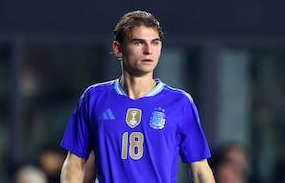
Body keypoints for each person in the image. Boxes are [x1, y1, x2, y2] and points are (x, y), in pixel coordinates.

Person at [60, 10, 215, 183]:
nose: (149, 50)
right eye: (138, 43)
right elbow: (74, 162)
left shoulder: (180, 103)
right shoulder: (94, 98)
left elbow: (200, 168)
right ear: (118, 48)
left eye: (155, 43)